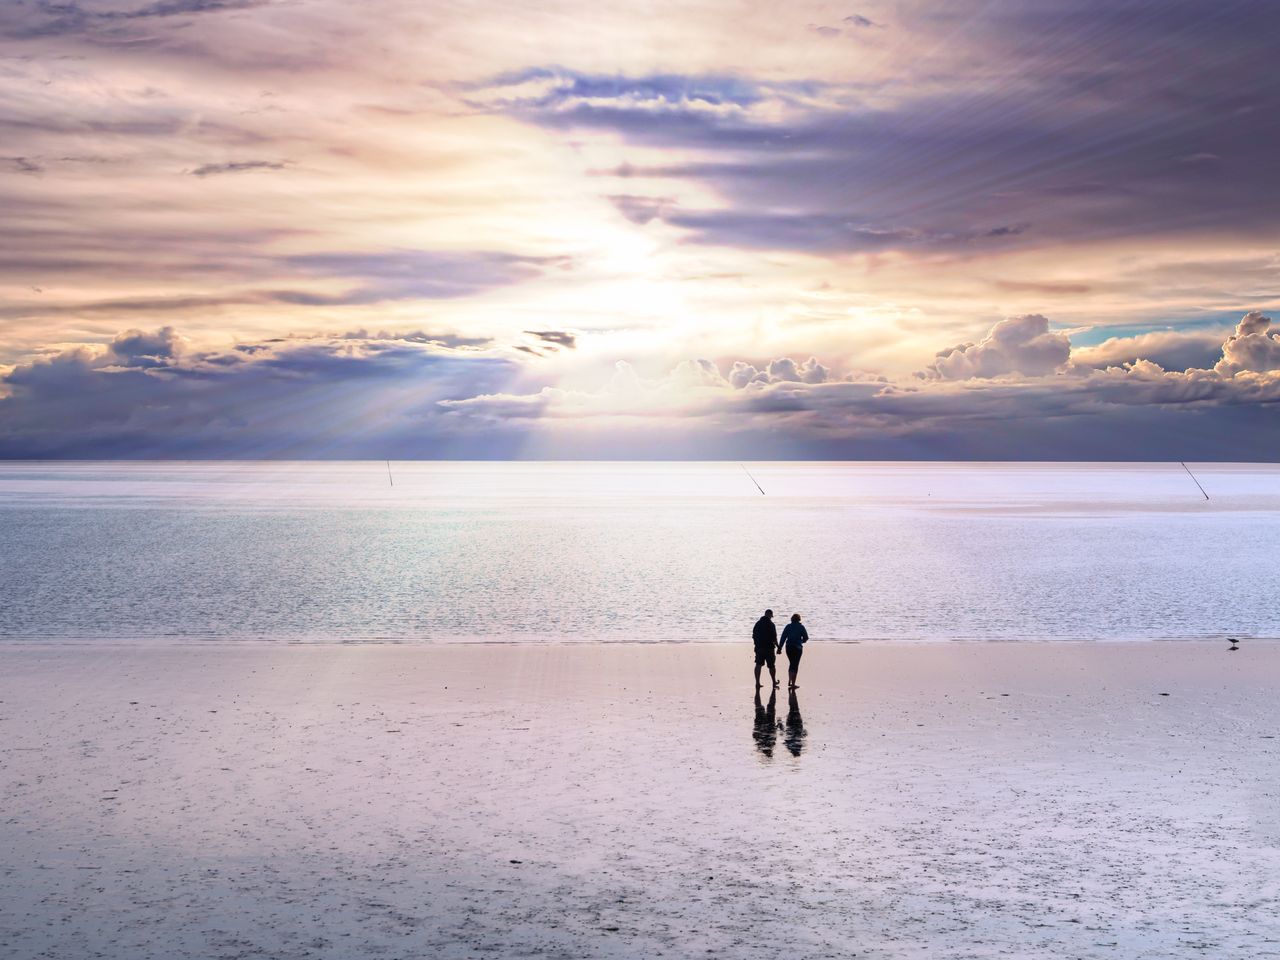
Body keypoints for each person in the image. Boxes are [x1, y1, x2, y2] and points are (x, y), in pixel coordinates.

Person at [778, 613, 808, 689]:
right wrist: (801, 641)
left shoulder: (788, 626)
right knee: (795, 665)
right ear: (799, 619)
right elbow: (806, 638)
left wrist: (779, 648)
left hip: (789, 647)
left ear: (791, 619)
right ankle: (793, 683)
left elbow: (783, 638)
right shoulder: (801, 627)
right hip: (797, 648)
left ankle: (790, 680)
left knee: (791, 663)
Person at [752, 609, 778, 689]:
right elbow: (774, 638)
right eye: (771, 616)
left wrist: (756, 644)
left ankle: (757, 683)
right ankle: (774, 682)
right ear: (770, 615)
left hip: (759, 648)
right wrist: (778, 647)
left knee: (758, 664)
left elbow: (754, 635)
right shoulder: (771, 624)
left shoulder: (758, 624)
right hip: (769, 648)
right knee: (771, 666)